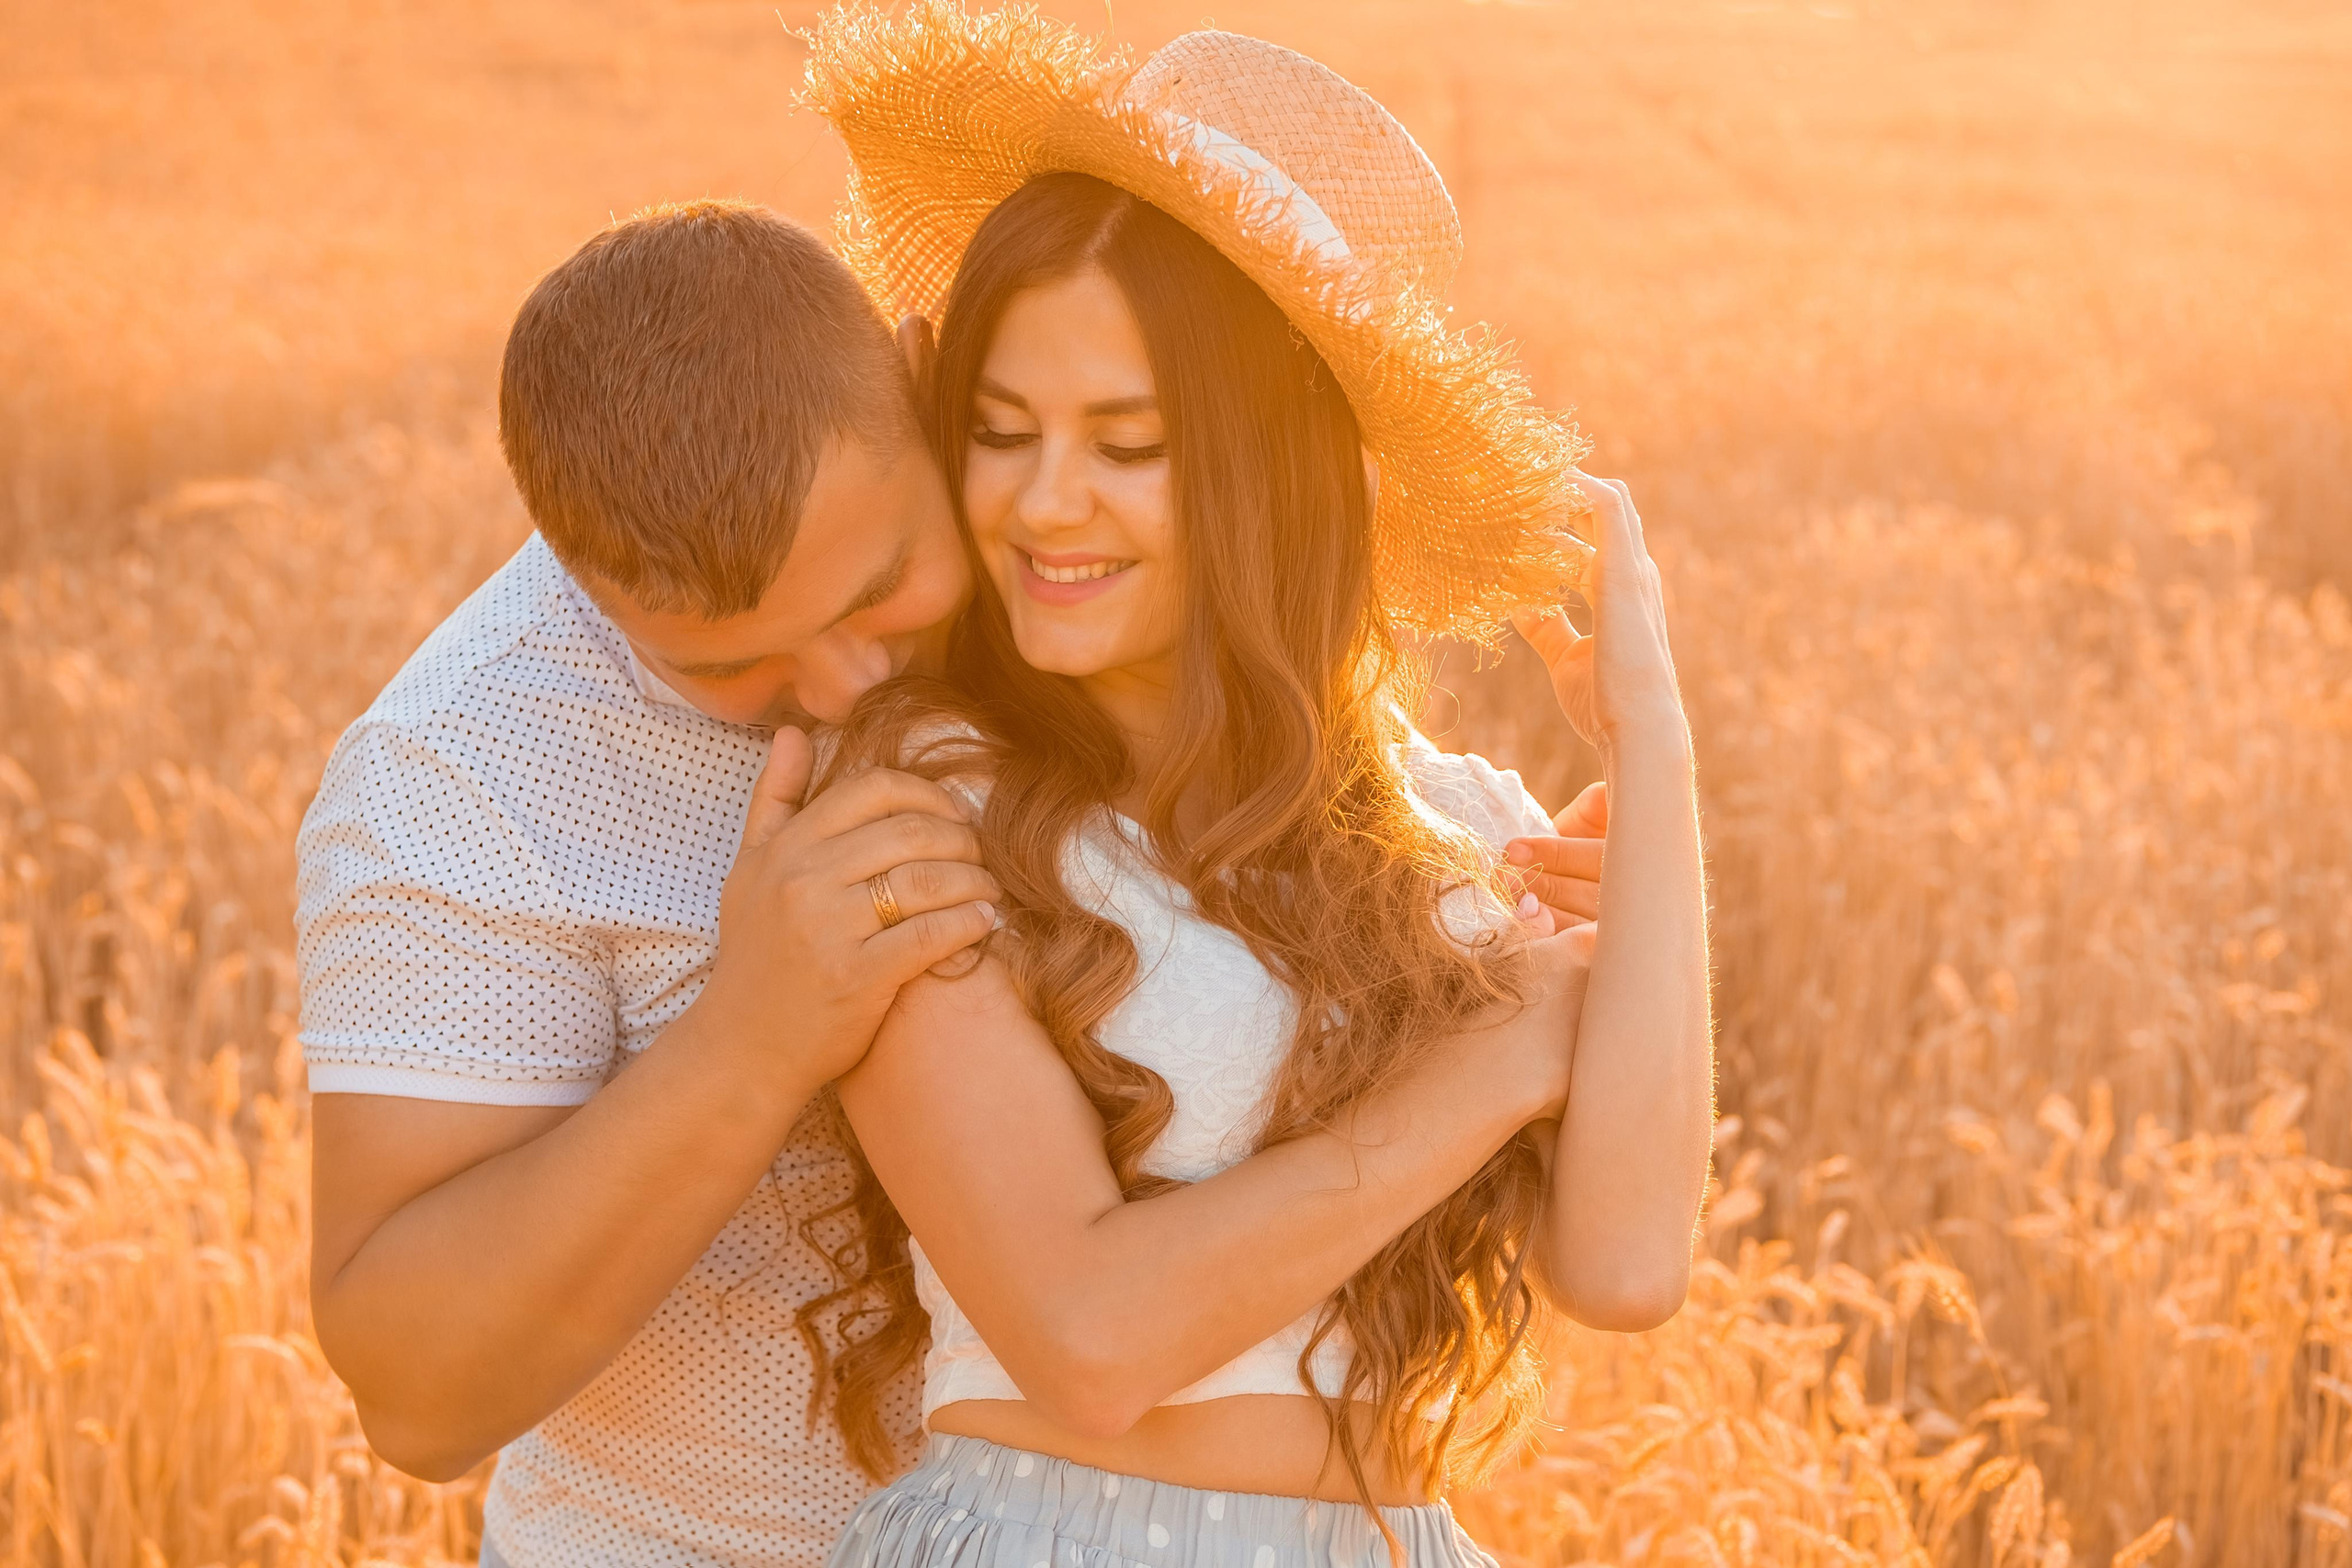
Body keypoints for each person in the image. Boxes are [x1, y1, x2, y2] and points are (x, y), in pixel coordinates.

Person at [295, 211, 1614, 1568]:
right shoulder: (467, 769)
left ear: (925, 385)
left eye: (880, 592)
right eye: (729, 670)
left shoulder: (1059, 583)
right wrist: (752, 1039)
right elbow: (417, 1397)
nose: (846, 689)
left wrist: (1505, 907)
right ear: (580, 581)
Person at [795, 13, 1713, 1568]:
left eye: (1129, 446)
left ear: (1269, 468)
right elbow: (1088, 1339)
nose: (1044, 502)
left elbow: (1626, 1265)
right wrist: (1510, 1049)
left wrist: (1657, 749)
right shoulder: (925, 804)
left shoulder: (1457, 830)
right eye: (1001, 433)